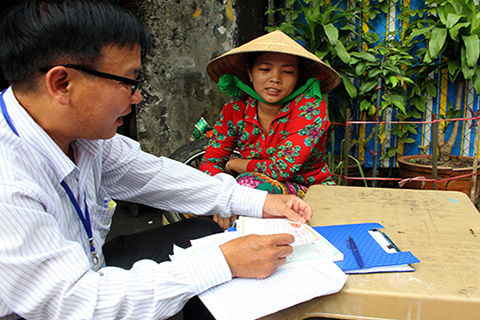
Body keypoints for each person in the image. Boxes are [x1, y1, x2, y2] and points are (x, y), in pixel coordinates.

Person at [0, 1, 314, 319]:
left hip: (89, 260)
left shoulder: (82, 136)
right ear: (62, 83)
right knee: (219, 263)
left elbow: (153, 175)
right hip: (50, 306)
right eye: (128, 81)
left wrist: (260, 202)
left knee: (204, 233)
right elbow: (73, 304)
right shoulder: (8, 181)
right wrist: (223, 262)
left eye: (287, 72)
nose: (136, 97)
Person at [200, 30, 341, 229]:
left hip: (309, 193)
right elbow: (210, 161)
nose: (275, 78)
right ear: (250, 73)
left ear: (298, 77)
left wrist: (234, 164)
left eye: (288, 72)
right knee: (200, 196)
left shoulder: (309, 108)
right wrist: (222, 198)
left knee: (248, 184)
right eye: (265, 69)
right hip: (257, 193)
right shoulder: (235, 110)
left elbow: (281, 168)